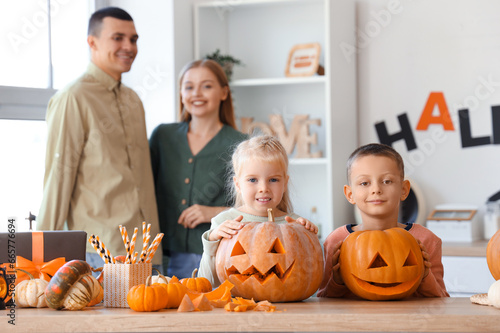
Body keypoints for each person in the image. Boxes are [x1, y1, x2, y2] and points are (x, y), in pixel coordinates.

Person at [37, 7, 162, 270]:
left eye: (134, 39)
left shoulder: (133, 100)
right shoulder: (73, 98)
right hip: (101, 253)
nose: (129, 46)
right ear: (91, 42)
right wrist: (39, 259)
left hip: (147, 252)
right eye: (118, 38)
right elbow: (59, 178)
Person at [149, 59, 248, 278]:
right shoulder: (162, 137)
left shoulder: (240, 145)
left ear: (223, 92)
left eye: (207, 86)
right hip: (159, 254)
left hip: (214, 251)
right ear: (181, 94)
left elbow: (254, 208)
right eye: (189, 87)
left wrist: (210, 212)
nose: (197, 93)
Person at [317, 143, 449, 298]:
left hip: (410, 321)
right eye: (365, 183)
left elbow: (442, 302)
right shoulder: (337, 241)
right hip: (354, 322)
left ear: (404, 189)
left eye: (387, 181)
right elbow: (323, 301)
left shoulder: (426, 240)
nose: (376, 189)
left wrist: (425, 277)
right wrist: (337, 282)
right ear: (350, 194)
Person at [198, 135, 319, 287]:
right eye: (253, 180)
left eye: (273, 180)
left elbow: (307, 280)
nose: (264, 188)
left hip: (285, 309)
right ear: (238, 184)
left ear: (285, 183)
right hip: (236, 308)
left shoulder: (295, 224)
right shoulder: (223, 223)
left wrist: (308, 238)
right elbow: (206, 283)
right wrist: (212, 242)